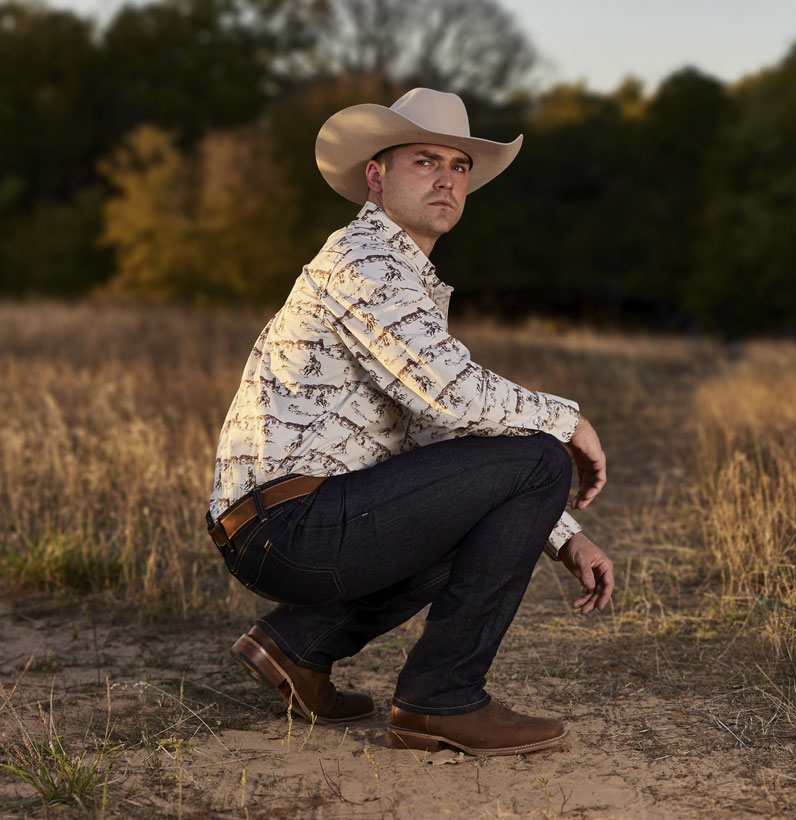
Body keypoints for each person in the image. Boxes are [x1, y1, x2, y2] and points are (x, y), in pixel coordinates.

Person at [206, 88, 614, 757]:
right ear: (376, 175)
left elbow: (445, 439)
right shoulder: (364, 261)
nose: (448, 179)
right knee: (539, 457)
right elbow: (449, 395)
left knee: (500, 490)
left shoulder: (403, 273)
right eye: (426, 161)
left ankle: (298, 647)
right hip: (289, 525)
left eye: (459, 167)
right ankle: (441, 701)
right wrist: (567, 421)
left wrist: (566, 537)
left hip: (292, 522)